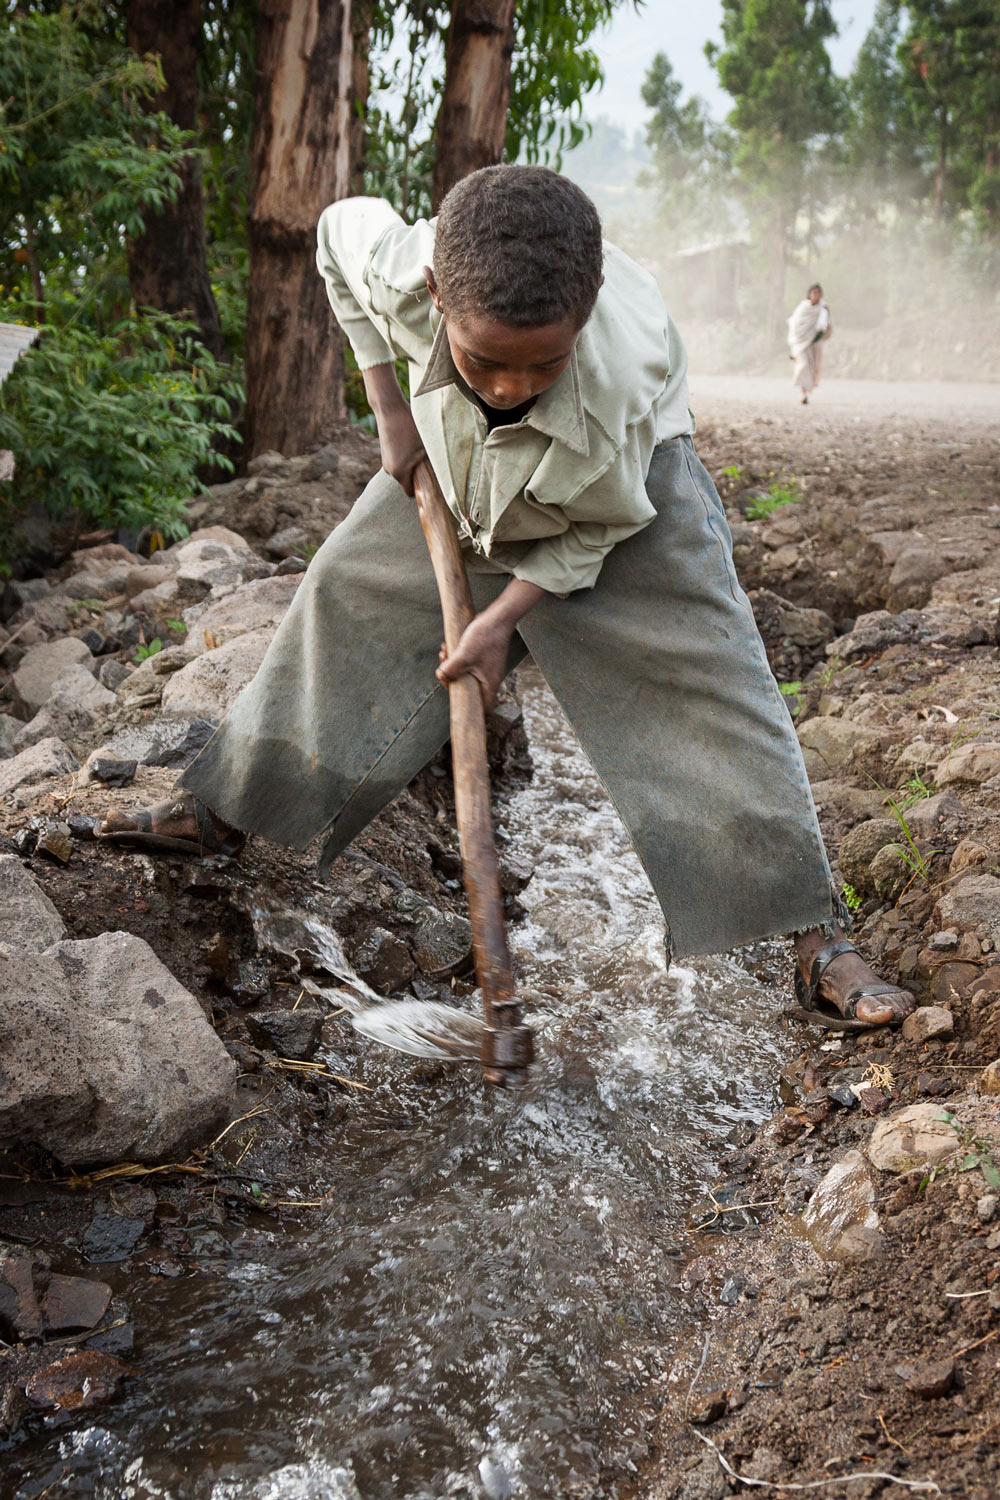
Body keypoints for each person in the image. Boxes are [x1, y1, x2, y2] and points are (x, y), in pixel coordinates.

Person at [100, 167, 912, 1033]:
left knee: (713, 688)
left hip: (626, 502)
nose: (509, 389)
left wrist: (499, 620)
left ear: (585, 322)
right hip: (458, 474)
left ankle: (813, 935)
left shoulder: (616, 389)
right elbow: (335, 230)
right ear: (435, 295)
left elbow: (592, 531)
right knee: (347, 589)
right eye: (483, 360)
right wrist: (390, 411)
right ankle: (222, 809)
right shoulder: (399, 268)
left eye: (541, 365)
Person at [788, 283, 831, 405]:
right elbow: (794, 324)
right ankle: (804, 392)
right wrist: (797, 339)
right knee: (803, 365)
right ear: (809, 295)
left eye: (818, 293)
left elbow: (823, 325)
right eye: (813, 293)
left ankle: (805, 392)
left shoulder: (823, 309)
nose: (816, 295)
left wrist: (816, 337)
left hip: (814, 343)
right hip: (800, 342)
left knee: (811, 367)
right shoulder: (802, 308)